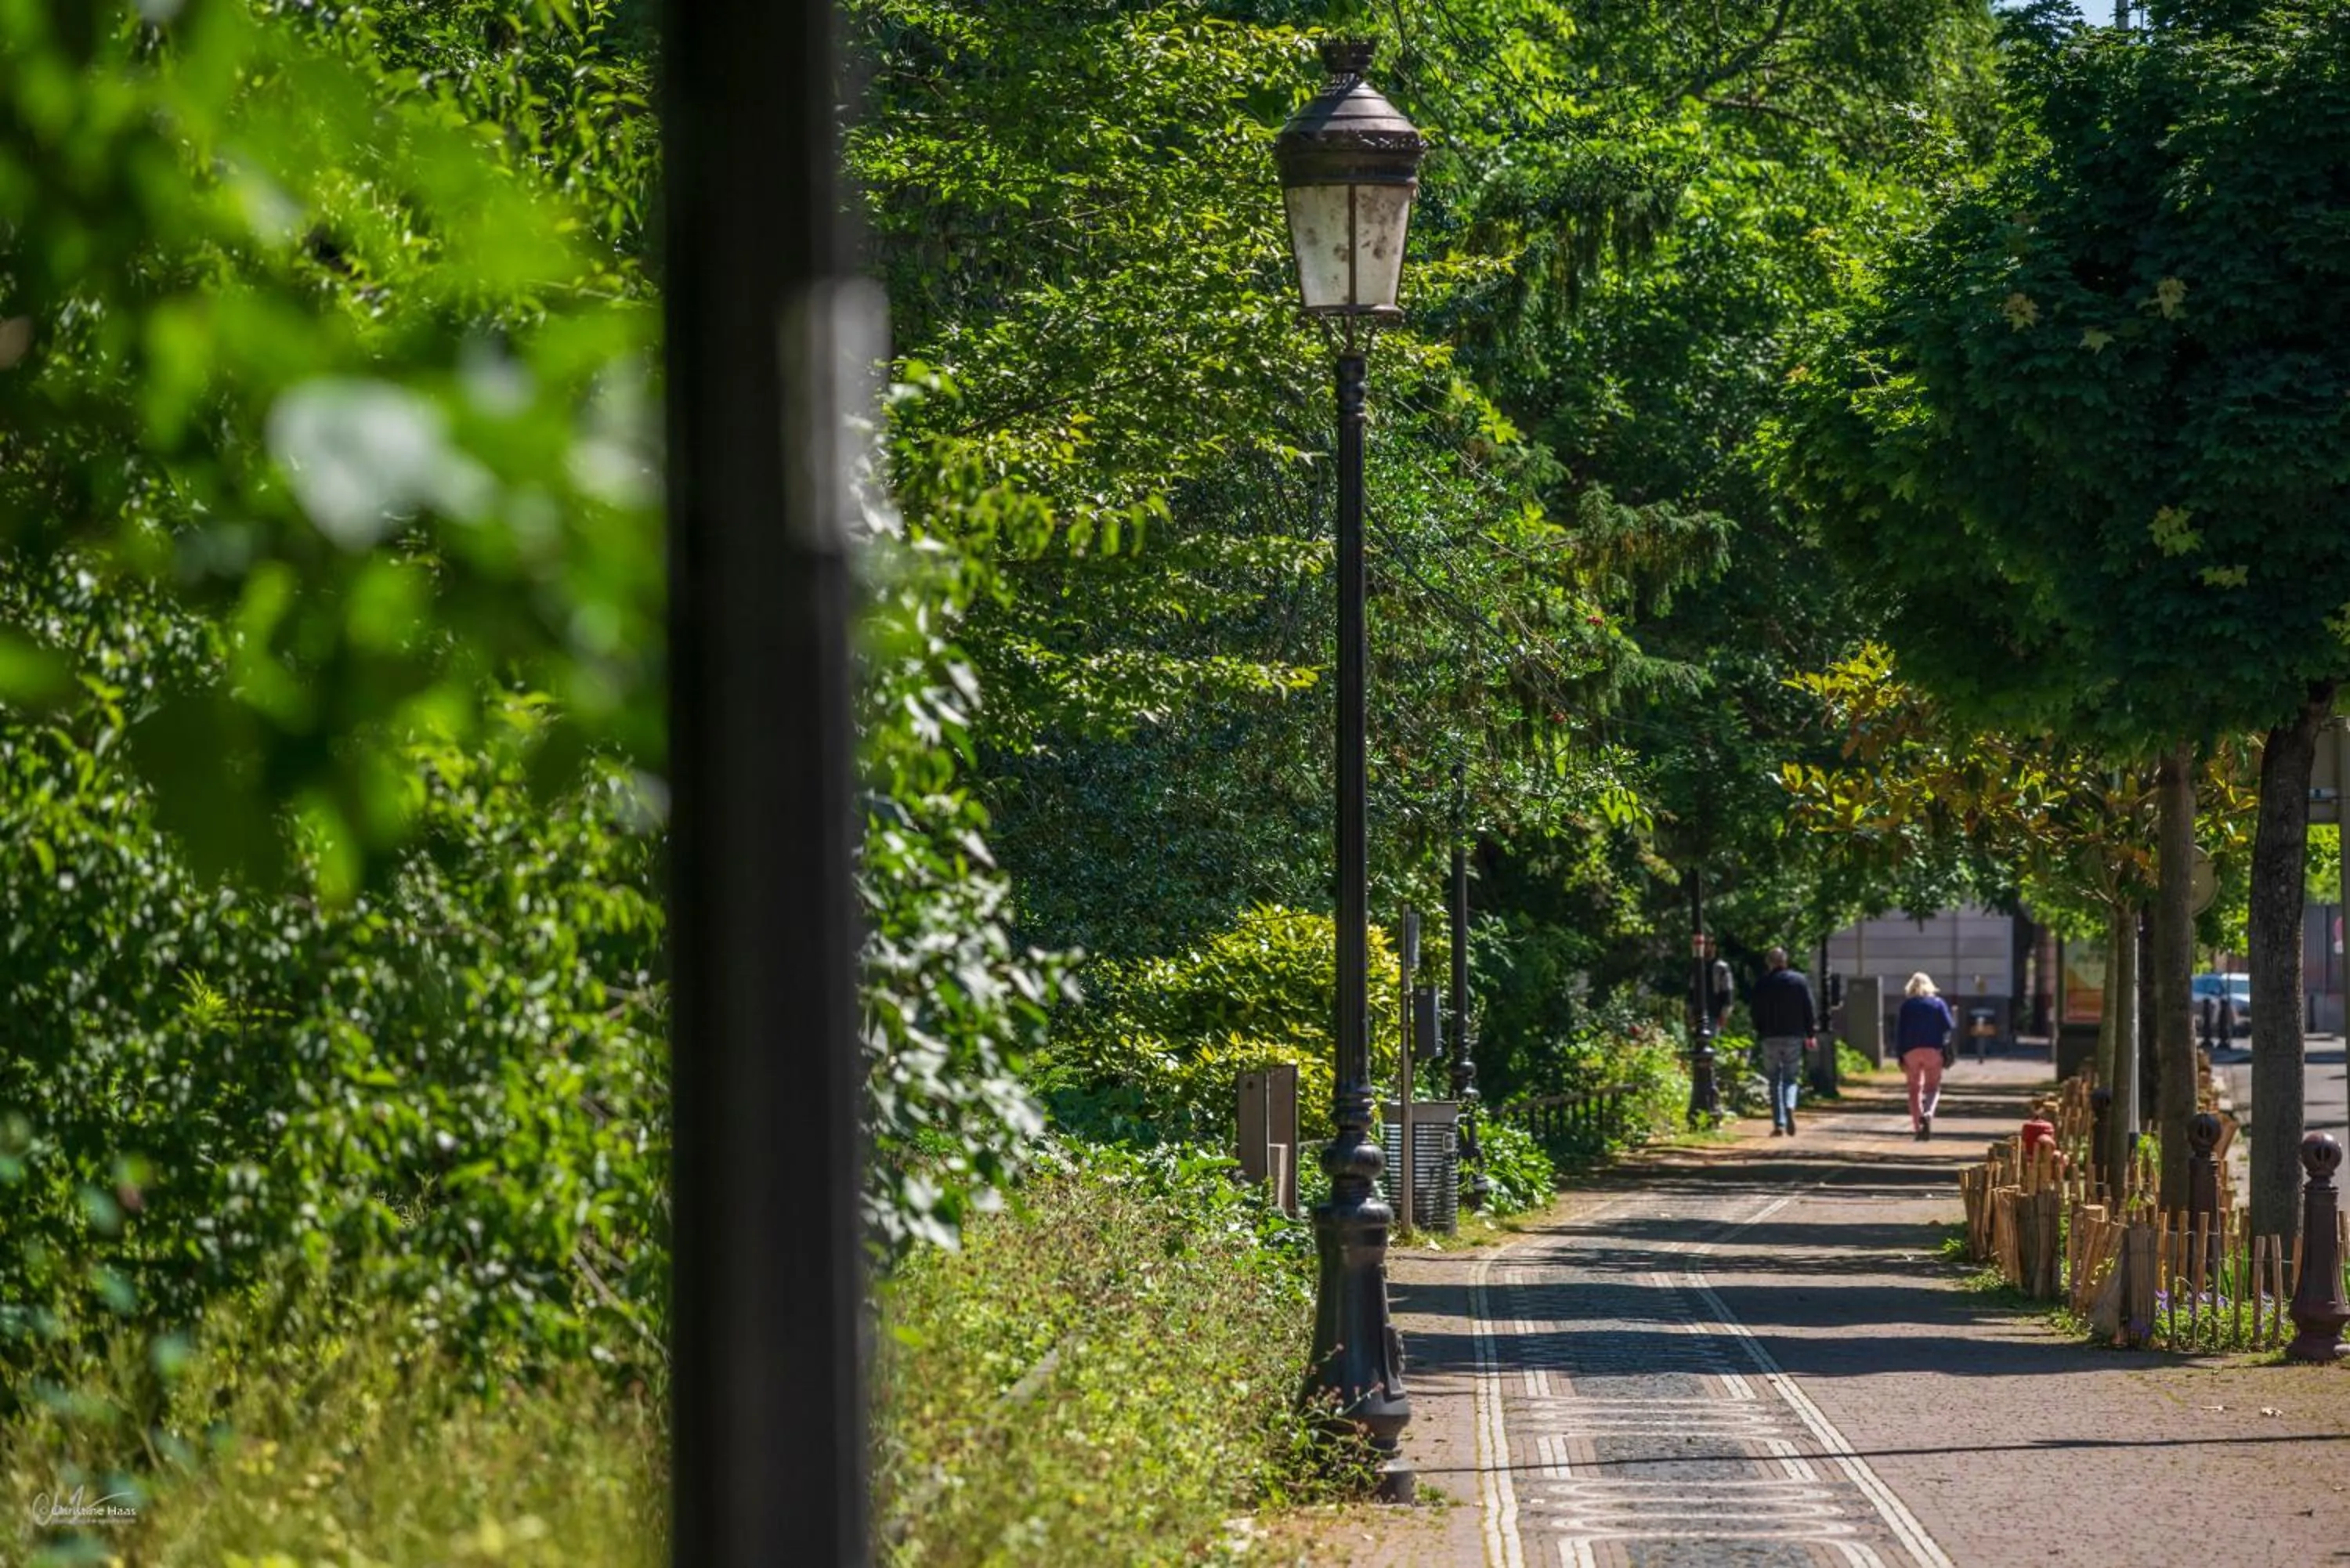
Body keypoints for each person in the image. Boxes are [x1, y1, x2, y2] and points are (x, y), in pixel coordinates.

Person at [1748, 946, 1819, 1138]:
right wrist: (1811, 1034)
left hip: (1769, 1036)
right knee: (1790, 1077)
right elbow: (1808, 1008)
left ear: (1769, 963)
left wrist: (1759, 1029)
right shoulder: (1799, 981)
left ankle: (1778, 1123)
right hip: (1793, 1036)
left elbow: (1754, 1011)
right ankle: (1790, 1105)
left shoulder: (1762, 984)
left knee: (1774, 1080)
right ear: (1785, 961)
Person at [1896, 971, 1957, 1141]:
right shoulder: (1938, 1004)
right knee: (1932, 1088)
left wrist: (1899, 1055)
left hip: (1910, 1051)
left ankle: (1917, 1127)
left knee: (1914, 1089)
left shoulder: (1907, 1006)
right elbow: (1949, 1026)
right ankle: (1928, 1113)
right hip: (1933, 1050)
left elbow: (1900, 1031)